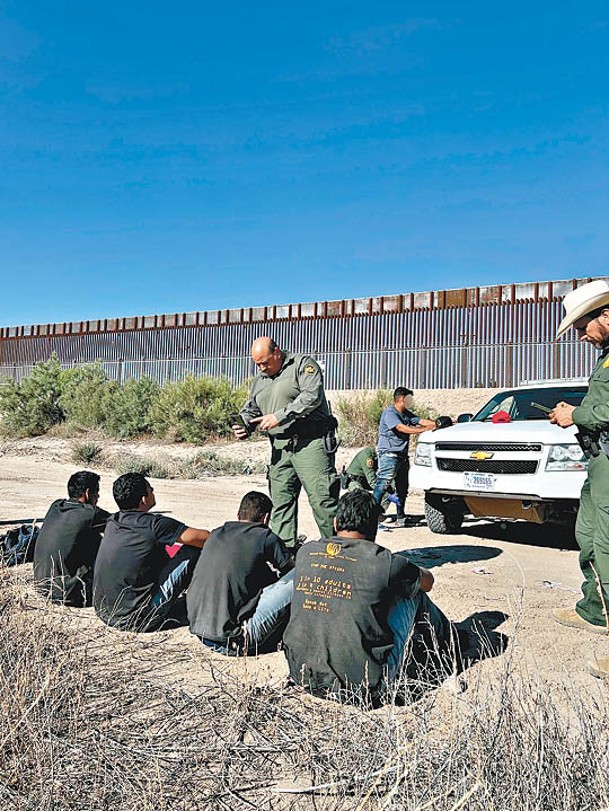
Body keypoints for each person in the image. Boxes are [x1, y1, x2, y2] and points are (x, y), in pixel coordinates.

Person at [282, 490, 456, 705]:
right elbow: (428, 583)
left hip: (302, 674)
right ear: (373, 527)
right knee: (414, 593)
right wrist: (407, 571)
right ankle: (450, 644)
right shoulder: (383, 561)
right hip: (365, 687)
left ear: (336, 523)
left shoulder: (307, 552)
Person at [550, 280, 609, 677]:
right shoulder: (605, 356)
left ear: (605, 315)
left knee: (607, 542)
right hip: (600, 459)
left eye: (581, 327)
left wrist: (576, 415)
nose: (580, 336)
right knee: (589, 534)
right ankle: (595, 609)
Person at [233, 337, 339, 548]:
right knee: (281, 504)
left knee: (323, 501)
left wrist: (279, 416)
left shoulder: (303, 365)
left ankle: (337, 552)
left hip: (311, 443)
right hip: (280, 448)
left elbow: (311, 397)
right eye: (257, 364)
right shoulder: (260, 381)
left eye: (264, 362)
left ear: (277, 352)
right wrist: (244, 424)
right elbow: (252, 408)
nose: (261, 368)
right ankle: (285, 556)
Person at [93, 472, 210, 632]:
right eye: (150, 489)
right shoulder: (155, 525)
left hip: (104, 612)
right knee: (192, 550)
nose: (153, 490)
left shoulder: (113, 521)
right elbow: (205, 538)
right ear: (144, 499)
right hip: (138, 619)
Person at [187, 491, 295, 654]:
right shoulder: (265, 536)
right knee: (301, 574)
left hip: (199, 631)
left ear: (238, 515)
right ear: (265, 518)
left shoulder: (216, 533)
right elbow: (289, 570)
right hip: (236, 640)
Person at [33, 470, 110, 606]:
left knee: (86, 535)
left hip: (42, 587)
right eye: (96, 492)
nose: (98, 497)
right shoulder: (90, 513)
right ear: (87, 493)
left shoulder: (56, 506)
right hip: (70, 593)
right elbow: (122, 525)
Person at [372, 387, 435, 527]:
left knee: (402, 488)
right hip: (389, 454)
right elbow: (401, 428)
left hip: (402, 456)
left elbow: (420, 420)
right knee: (382, 485)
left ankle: (401, 517)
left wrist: (438, 424)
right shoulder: (390, 413)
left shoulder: (406, 413)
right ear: (401, 399)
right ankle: (371, 515)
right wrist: (423, 430)